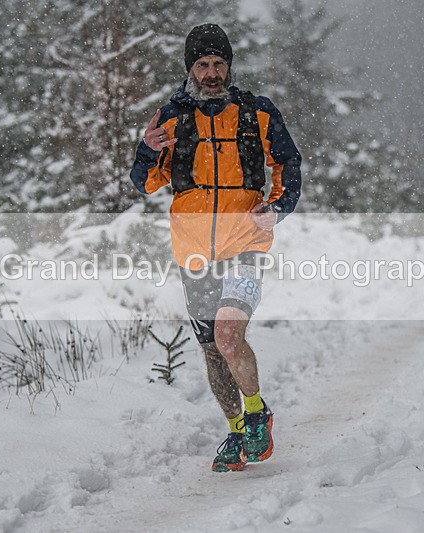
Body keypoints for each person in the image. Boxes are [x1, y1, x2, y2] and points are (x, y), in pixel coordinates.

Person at [129, 23, 301, 472]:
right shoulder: (171, 118)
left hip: (245, 243)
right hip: (194, 252)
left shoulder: (256, 113)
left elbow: (287, 161)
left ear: (229, 66)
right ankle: (236, 431)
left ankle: (257, 411)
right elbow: (144, 183)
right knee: (211, 348)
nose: (211, 73)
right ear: (191, 68)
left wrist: (280, 205)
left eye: (218, 64)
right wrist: (146, 151)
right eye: (202, 65)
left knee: (228, 334)